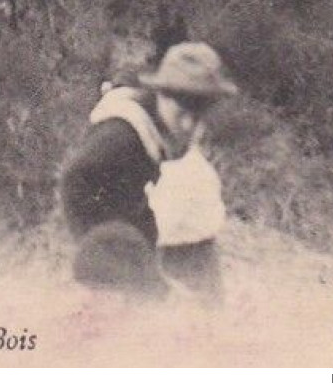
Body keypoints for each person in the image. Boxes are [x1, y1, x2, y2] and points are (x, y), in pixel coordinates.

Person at [60, 43, 237, 299]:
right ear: (162, 95)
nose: (189, 125)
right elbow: (75, 180)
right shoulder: (120, 135)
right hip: (114, 238)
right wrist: (98, 244)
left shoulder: (161, 127)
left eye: (198, 117)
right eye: (181, 114)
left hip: (140, 219)